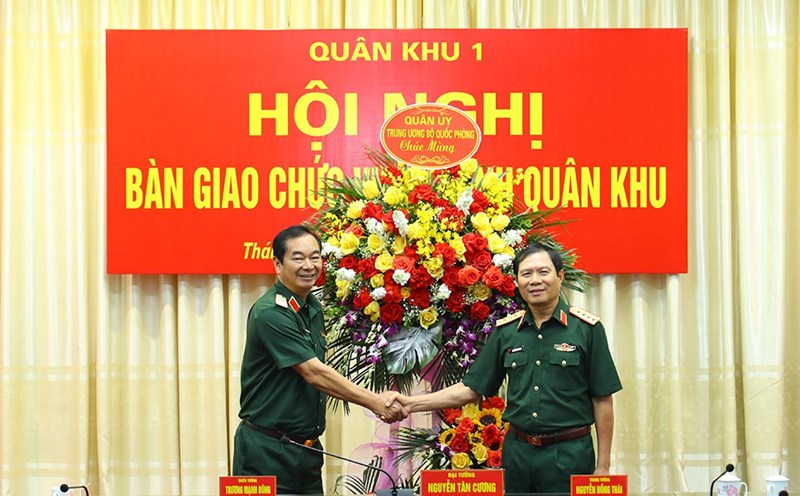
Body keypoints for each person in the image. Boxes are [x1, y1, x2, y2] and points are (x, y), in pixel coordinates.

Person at [386, 242, 622, 493]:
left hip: (569, 455)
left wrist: (603, 466)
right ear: (518, 282)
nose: (535, 281)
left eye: (543, 272)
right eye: (526, 274)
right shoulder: (506, 332)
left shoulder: (586, 329)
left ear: (560, 276)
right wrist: (410, 403)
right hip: (518, 454)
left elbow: (602, 399)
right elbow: (470, 389)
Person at [233, 224, 407, 494]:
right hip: (267, 453)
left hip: (306, 450)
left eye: (315, 257)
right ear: (278, 264)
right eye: (298, 257)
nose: (309, 265)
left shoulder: (311, 306)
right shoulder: (270, 312)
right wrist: (375, 401)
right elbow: (314, 372)